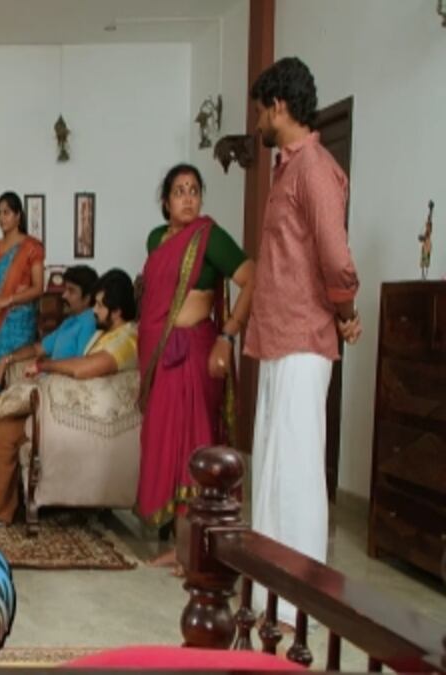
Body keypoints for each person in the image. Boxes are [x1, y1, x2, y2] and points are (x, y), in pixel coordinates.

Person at [246, 57, 360, 626]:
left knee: (295, 474)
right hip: (278, 338)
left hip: (302, 339)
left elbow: (336, 257)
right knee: (271, 470)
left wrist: (347, 311)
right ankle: (271, 592)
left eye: (261, 111)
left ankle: (299, 599)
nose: (258, 123)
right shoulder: (286, 169)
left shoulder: (313, 166)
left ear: (279, 106)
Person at [137, 164, 254, 569]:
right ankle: (180, 545)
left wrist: (229, 335)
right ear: (165, 201)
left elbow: (252, 277)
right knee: (166, 443)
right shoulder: (156, 239)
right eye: (179, 191)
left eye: (194, 190)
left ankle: (195, 550)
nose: (188, 198)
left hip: (194, 353)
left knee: (194, 444)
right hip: (161, 355)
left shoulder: (211, 237)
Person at [0, 269, 139, 526]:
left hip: (76, 414)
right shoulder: (104, 334)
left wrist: (43, 367)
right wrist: (15, 360)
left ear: (116, 311)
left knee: (0, 428)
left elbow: (83, 369)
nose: (94, 311)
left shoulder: (127, 339)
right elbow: (50, 351)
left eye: (99, 305)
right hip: (62, 403)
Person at [0, 265, 100, 388]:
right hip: (46, 380)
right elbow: (37, 348)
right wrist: (7, 359)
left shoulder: (89, 323)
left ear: (87, 298)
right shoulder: (70, 321)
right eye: (66, 289)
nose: (64, 295)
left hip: (61, 386)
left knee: (0, 399)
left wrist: (42, 367)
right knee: (1, 390)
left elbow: (79, 365)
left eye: (71, 291)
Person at [0, 192, 45, 402]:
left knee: (14, 372)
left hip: (20, 323)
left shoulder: (32, 247)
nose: (1, 218)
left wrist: (7, 301)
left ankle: (14, 415)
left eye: (6, 212)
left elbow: (38, 288)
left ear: (18, 216)